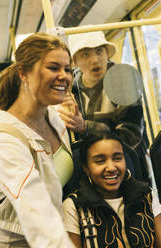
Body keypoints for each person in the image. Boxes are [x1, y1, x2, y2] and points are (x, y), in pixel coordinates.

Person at [0, 32, 74, 247]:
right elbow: (36, 211)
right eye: (53, 68)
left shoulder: (54, 119)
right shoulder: (5, 142)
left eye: (68, 69)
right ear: (23, 74)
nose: (64, 76)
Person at [58, 31, 150, 182]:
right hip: (92, 172)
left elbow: (129, 135)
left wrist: (86, 127)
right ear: (75, 61)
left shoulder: (123, 81)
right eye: (85, 54)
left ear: (107, 54)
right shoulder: (70, 89)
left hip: (128, 168)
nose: (95, 60)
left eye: (99, 51)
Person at [63, 131, 161, 248]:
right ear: (86, 168)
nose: (111, 168)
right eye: (100, 161)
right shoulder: (73, 206)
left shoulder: (146, 194)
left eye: (117, 158)